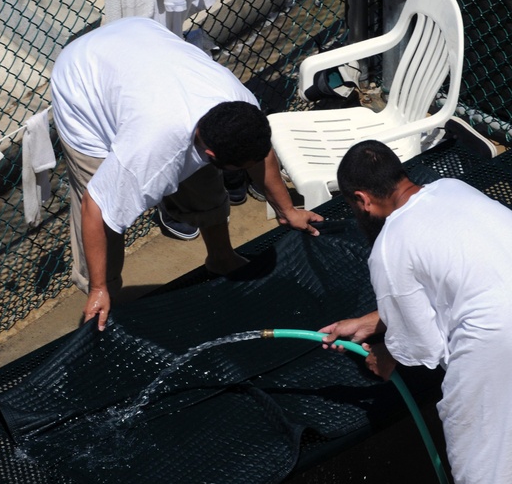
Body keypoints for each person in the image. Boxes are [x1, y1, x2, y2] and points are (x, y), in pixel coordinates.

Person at [319, 140, 512, 484]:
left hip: (506, 346)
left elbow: (421, 348)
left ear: (361, 200)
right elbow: (464, 279)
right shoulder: (453, 187)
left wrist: (386, 355)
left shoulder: (389, 245)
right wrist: (372, 320)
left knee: (489, 479)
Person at [51, 17, 322, 331]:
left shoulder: (241, 106)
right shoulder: (152, 153)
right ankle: (104, 296)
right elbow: (94, 208)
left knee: (204, 180)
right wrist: (99, 285)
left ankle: (221, 257)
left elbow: (261, 155)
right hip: (81, 80)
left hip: (138, 43)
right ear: (210, 153)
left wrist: (286, 210)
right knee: (102, 203)